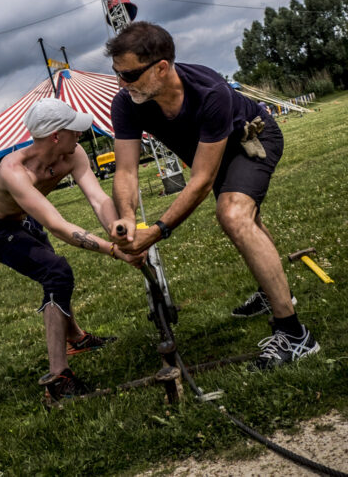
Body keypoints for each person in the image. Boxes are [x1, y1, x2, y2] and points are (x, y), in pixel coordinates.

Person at [105, 22, 319, 370]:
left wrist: (156, 231)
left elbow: (202, 180)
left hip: (252, 141)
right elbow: (126, 171)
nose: (121, 84)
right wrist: (128, 218)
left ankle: (295, 336)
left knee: (234, 214)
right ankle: (273, 291)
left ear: (161, 68)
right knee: (246, 219)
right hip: (211, 152)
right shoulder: (127, 102)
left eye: (128, 75)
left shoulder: (210, 92)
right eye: (117, 74)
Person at [0, 98, 142, 400]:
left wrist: (116, 229)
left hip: (25, 221)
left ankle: (76, 338)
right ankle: (58, 378)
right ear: (54, 136)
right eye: (73, 129)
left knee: (55, 274)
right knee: (56, 272)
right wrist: (113, 251)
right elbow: (57, 225)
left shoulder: (73, 154)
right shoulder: (14, 170)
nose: (80, 133)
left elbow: (98, 198)